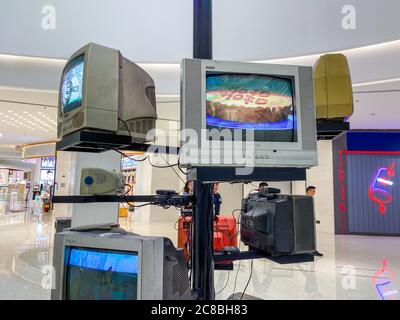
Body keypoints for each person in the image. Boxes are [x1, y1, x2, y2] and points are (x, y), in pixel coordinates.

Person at [306, 185, 323, 257]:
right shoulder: (304, 199)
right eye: (313, 191)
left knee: (312, 237)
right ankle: (309, 250)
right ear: (308, 191)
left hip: (310, 222)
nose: (314, 193)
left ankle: (313, 250)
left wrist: (315, 219)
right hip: (306, 223)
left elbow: (311, 211)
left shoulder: (311, 199)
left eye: (314, 191)